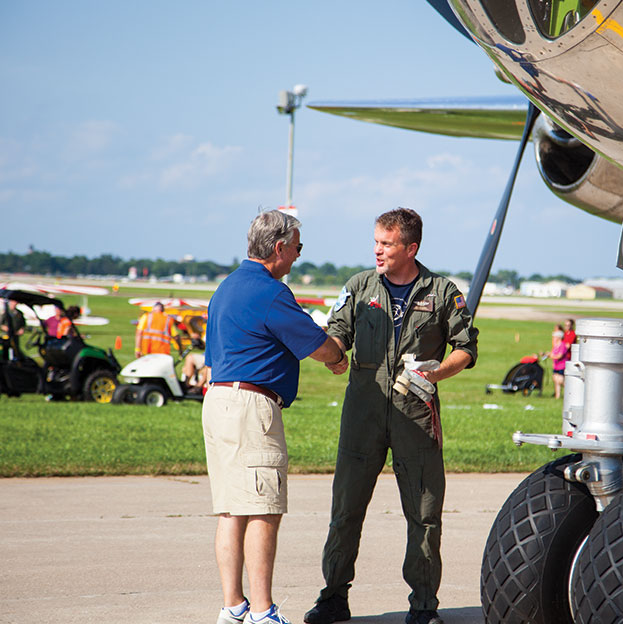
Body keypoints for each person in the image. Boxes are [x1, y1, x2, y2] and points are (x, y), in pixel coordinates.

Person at [304, 208, 479, 624]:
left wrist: (439, 371)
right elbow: (338, 336)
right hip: (362, 415)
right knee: (345, 511)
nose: (377, 250)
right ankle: (333, 598)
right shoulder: (359, 286)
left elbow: (466, 348)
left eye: (386, 244)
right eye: (376, 242)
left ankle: (424, 606)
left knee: (424, 514)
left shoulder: (442, 292)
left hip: (415, 417)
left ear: (411, 248)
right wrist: (328, 353)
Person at [203, 210, 348, 624]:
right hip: (251, 407)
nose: (299, 255)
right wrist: (337, 357)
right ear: (279, 247)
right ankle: (262, 611)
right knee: (263, 508)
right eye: (298, 247)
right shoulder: (270, 292)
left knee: (231, 510)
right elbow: (317, 344)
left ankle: (233, 606)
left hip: (218, 400)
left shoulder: (226, 287)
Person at [550, 325, 568, 399]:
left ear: (559, 337)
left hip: (562, 365)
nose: (553, 338)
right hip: (556, 366)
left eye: (555, 337)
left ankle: (570, 391)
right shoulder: (555, 346)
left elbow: (560, 356)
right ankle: (557, 396)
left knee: (560, 380)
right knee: (556, 380)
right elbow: (552, 354)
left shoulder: (562, 345)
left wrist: (552, 356)